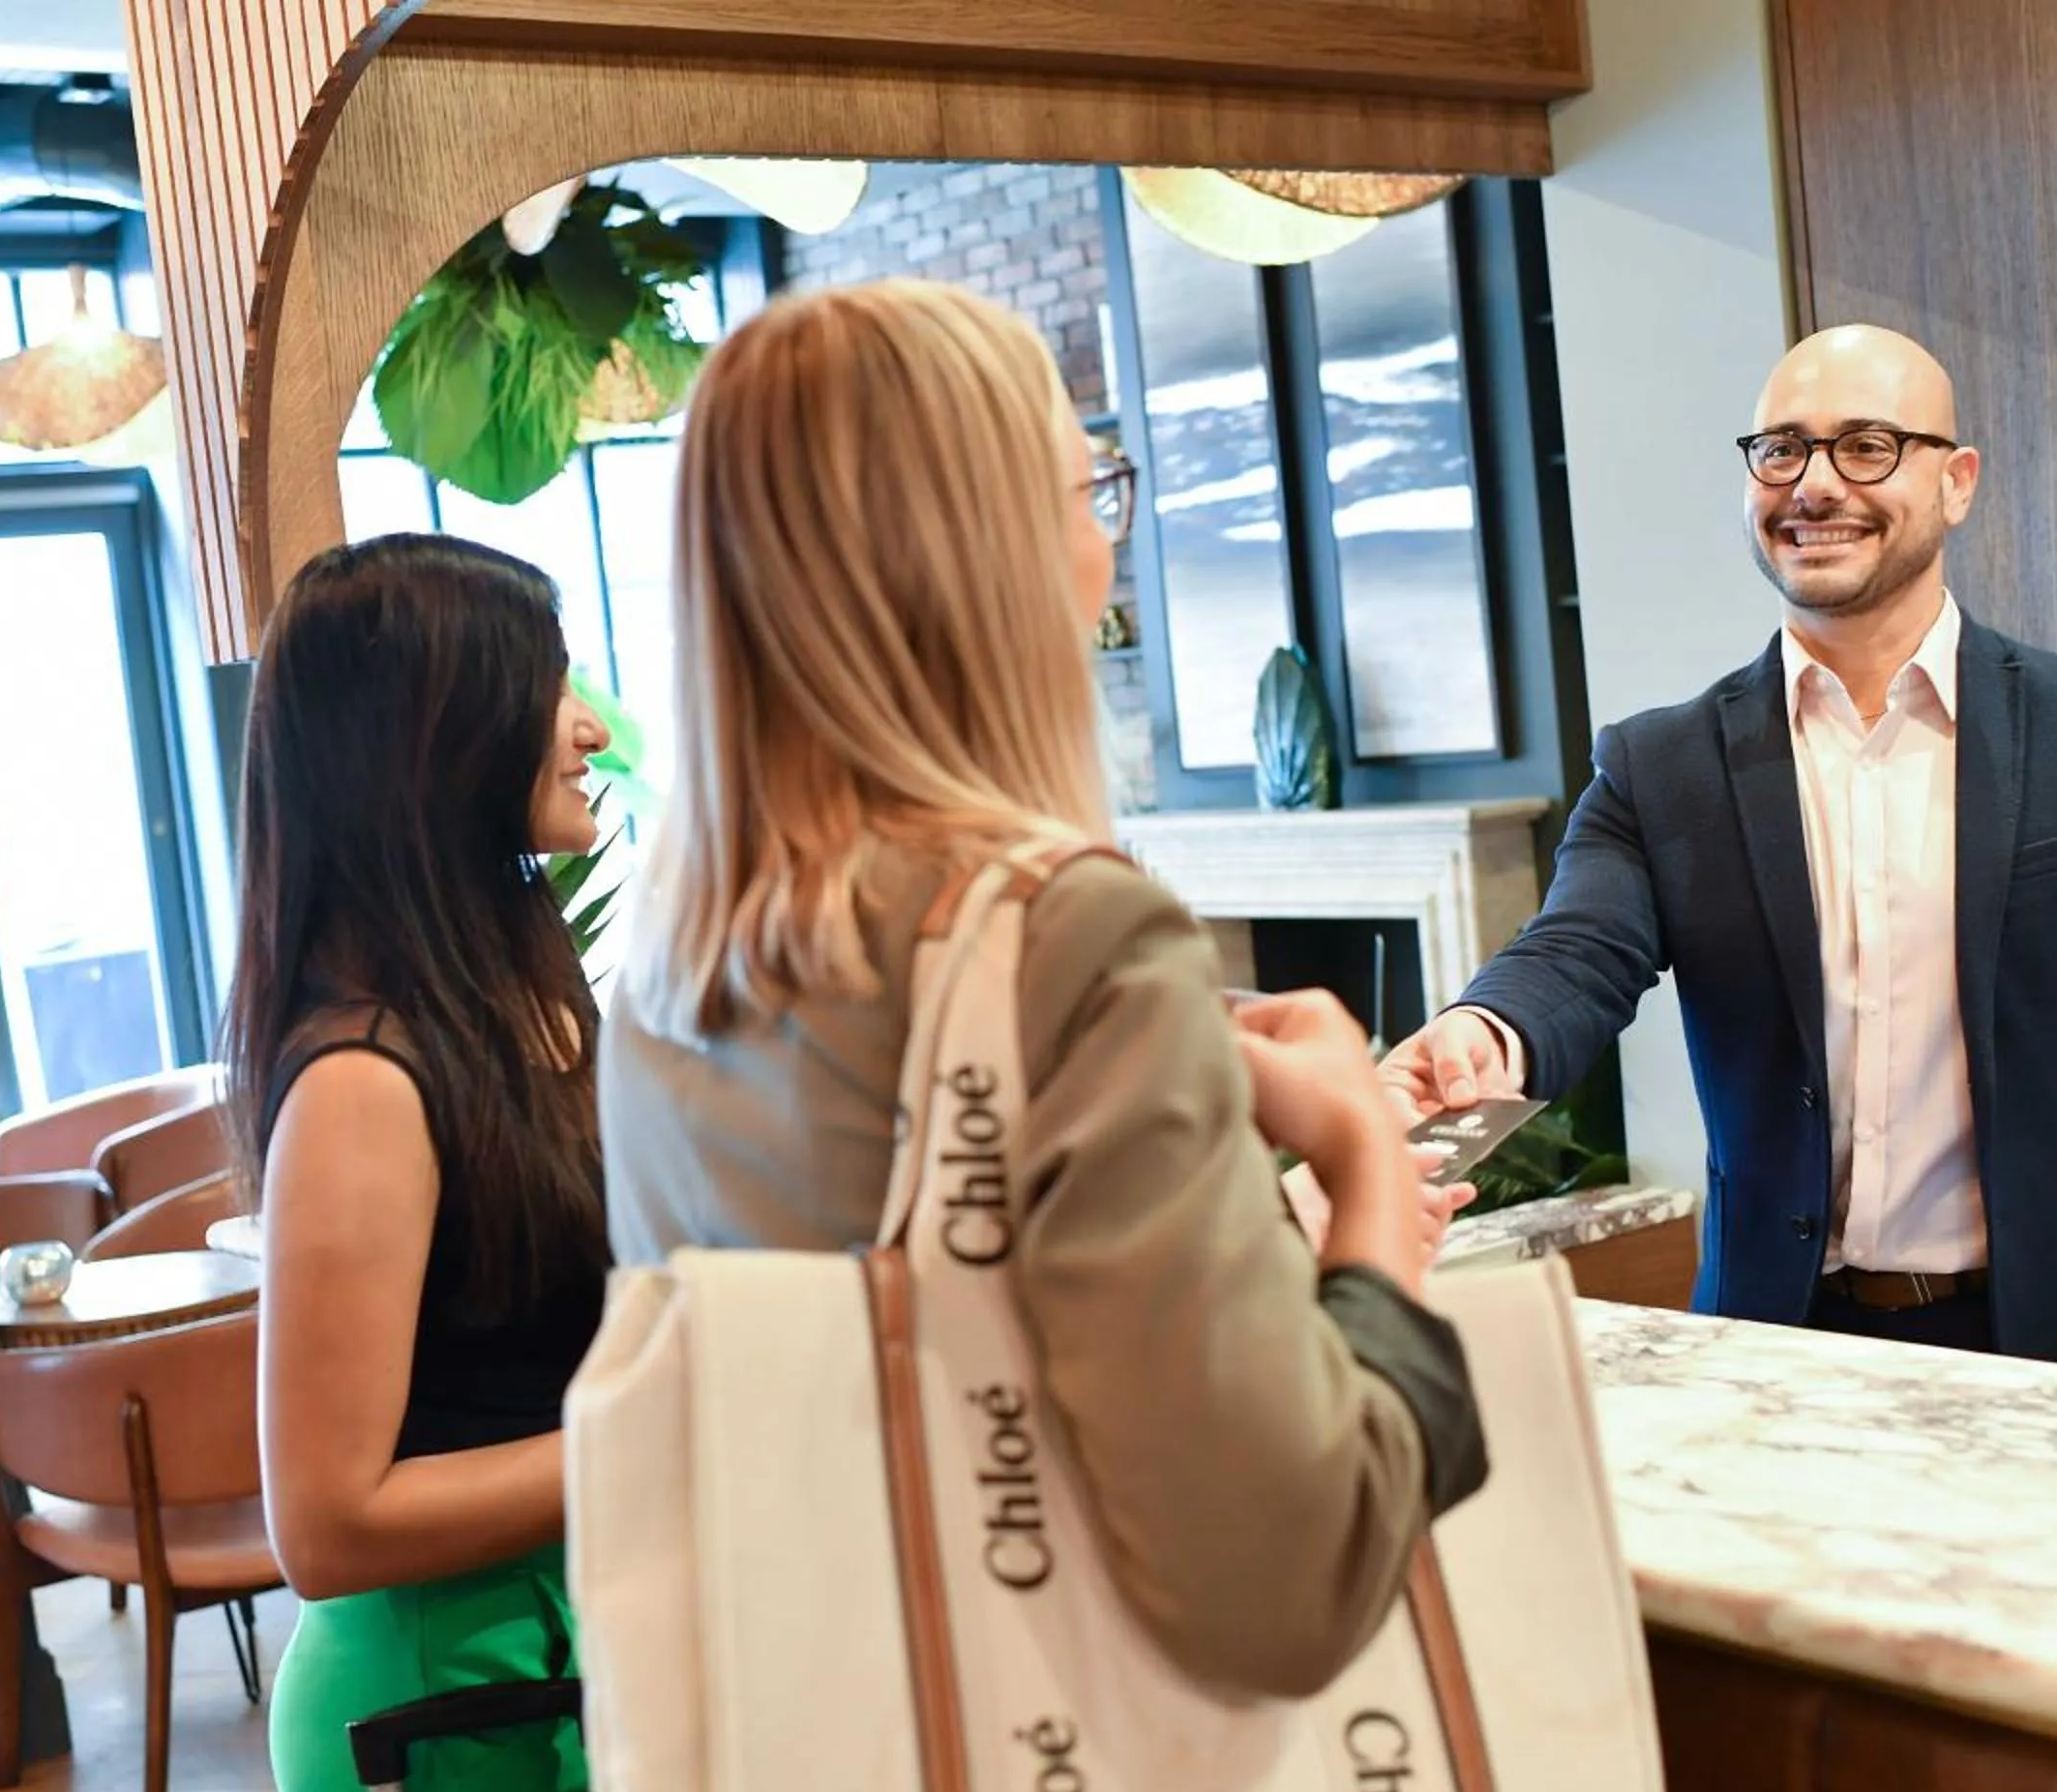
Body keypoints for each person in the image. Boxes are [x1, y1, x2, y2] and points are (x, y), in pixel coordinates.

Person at [602, 278, 1488, 1697]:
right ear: (987, 554)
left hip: (830, 1764)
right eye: (1093, 491)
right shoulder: (1072, 941)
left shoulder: (672, 958)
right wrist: (1367, 1168)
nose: (1104, 547)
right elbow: (1293, 1582)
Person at [1382, 325, 2057, 1386]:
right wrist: (1483, 1032)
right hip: (1776, 1353)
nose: (1814, 484)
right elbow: (1575, 951)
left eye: (1866, 445)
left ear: (1956, 482)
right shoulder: (1662, 764)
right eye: (1781, 449)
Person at [224, 533, 611, 1792]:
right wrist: (661, 1425)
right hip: (456, 1711)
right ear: (440, 742)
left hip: (558, 1655)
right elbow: (325, 1525)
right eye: (548, 684)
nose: (587, 724)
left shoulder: (520, 987)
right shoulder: (363, 1084)